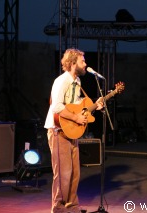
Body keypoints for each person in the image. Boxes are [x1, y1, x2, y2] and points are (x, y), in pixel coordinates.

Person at [44, 48, 103, 213]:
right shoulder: (61, 81)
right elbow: (56, 105)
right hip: (58, 131)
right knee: (63, 173)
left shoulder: (78, 82)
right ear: (72, 63)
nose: (85, 64)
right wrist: (76, 118)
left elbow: (75, 105)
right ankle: (58, 208)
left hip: (71, 131)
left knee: (74, 173)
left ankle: (72, 206)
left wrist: (93, 105)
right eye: (82, 61)